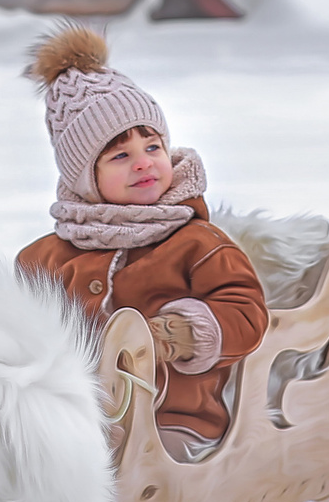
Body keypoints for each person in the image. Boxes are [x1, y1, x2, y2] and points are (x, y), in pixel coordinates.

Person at [15, 25, 267, 460]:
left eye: (152, 146)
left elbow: (245, 311)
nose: (144, 163)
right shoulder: (45, 258)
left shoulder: (196, 243)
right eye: (120, 156)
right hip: (73, 424)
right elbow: (15, 329)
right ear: (85, 180)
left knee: (119, 470)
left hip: (176, 423)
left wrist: (186, 332)